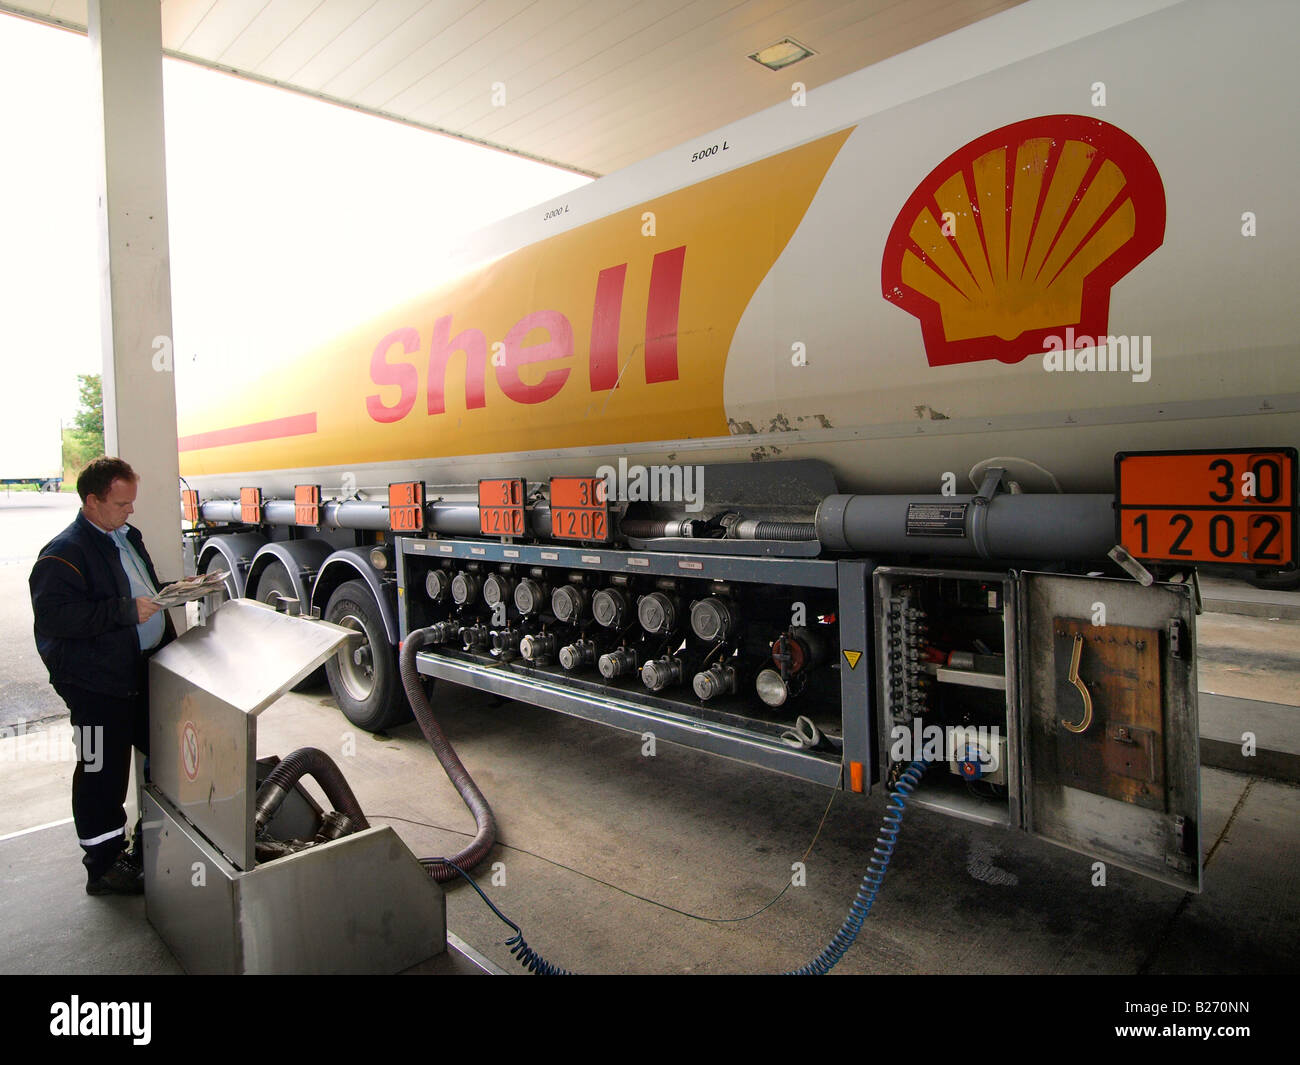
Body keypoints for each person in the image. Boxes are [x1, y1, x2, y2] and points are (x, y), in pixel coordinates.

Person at [29, 457, 175, 895]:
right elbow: (56, 618)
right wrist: (125, 613)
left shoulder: (126, 537)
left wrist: (173, 591)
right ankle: (104, 865)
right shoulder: (63, 553)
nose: (130, 510)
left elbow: (137, 588)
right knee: (100, 771)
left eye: (131, 501)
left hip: (140, 672)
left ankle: (147, 841)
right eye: (121, 503)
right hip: (96, 685)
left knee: (163, 755)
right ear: (92, 501)